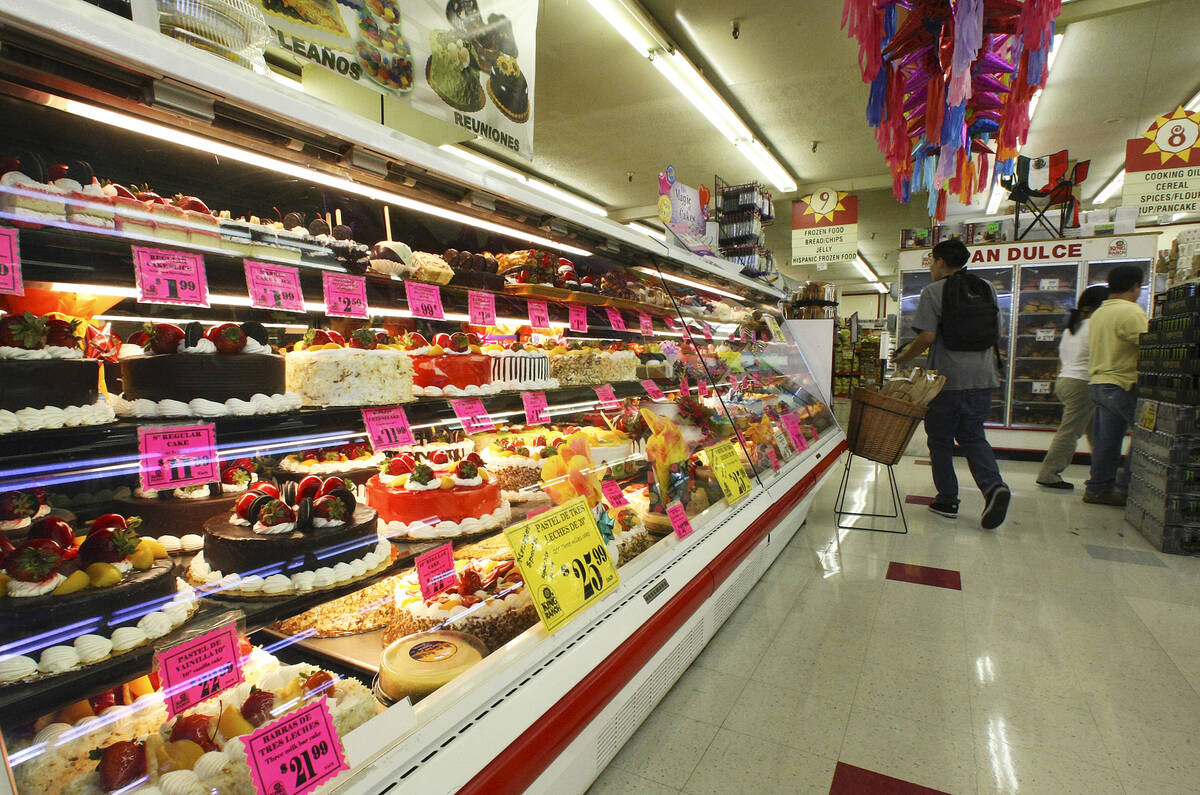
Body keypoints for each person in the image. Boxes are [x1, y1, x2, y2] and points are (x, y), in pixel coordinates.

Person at [895, 238, 1011, 529]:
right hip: (982, 377)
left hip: (947, 380)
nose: (931, 268)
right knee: (973, 436)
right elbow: (996, 332)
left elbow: (927, 337)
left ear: (941, 262)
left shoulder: (933, 291)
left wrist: (904, 357)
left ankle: (947, 499)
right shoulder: (986, 289)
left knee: (940, 441)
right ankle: (993, 487)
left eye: (932, 262)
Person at [1084, 265, 1147, 505]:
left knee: (1106, 441)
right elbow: (1149, 344)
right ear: (1135, 287)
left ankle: (1097, 489)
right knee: (1146, 436)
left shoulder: (1100, 312)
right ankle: (1125, 487)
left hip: (1099, 383)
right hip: (1122, 384)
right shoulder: (1130, 311)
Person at [1036, 285, 1110, 489]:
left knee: (1095, 432)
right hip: (1082, 384)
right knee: (1070, 431)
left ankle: (1103, 475)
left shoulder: (1074, 327)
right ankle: (1049, 474)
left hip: (1066, 380)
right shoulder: (1096, 326)